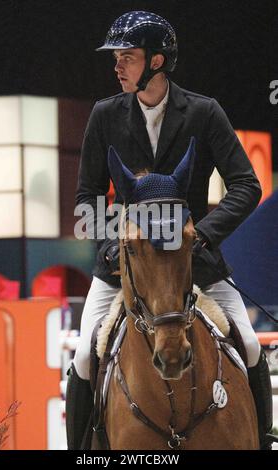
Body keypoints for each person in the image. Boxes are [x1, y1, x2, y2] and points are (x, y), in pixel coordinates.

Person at [66, 11, 275, 450]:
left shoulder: (203, 112)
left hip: (194, 262)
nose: (117, 67)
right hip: (127, 267)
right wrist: (110, 244)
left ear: (156, 62)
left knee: (251, 347)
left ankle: (262, 438)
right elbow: (87, 196)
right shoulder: (105, 116)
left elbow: (247, 184)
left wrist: (203, 235)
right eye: (117, 58)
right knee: (85, 356)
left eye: (127, 57)